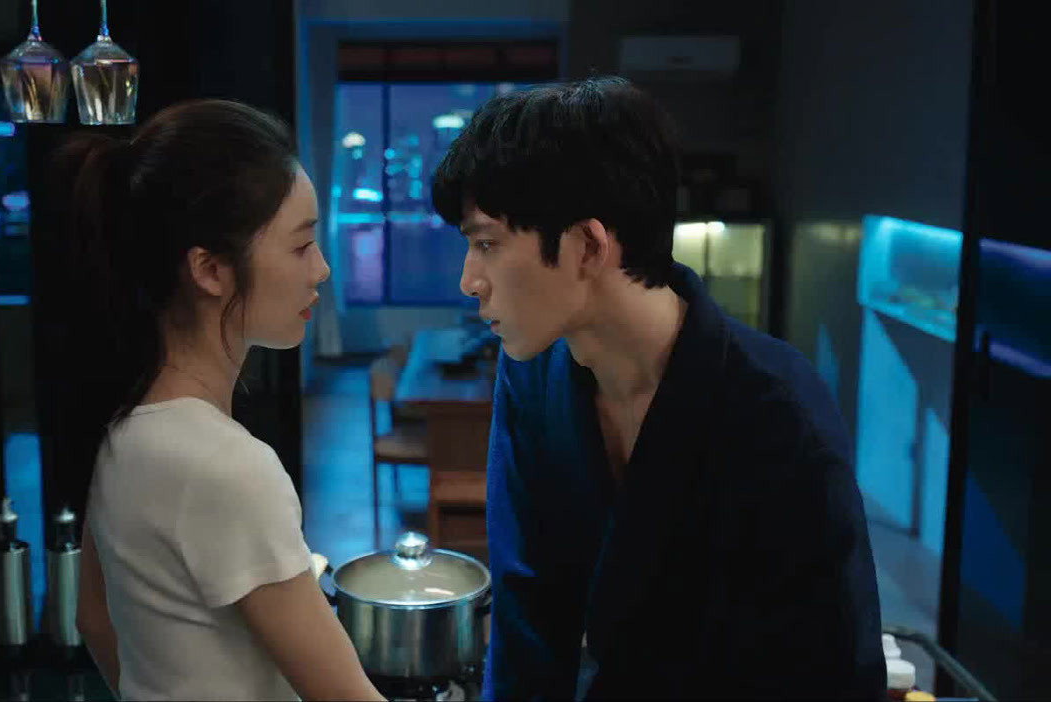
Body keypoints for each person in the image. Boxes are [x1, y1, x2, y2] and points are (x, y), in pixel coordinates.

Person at [431, 77, 885, 699]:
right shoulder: (534, 372)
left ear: (587, 245)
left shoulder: (776, 411)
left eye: (487, 244)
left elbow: (834, 670)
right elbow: (525, 611)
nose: (469, 281)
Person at [56, 99, 384, 701]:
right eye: (301, 246)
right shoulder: (229, 467)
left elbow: (95, 621)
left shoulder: (126, 433)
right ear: (210, 270)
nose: (322, 269)